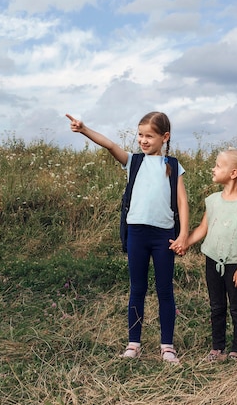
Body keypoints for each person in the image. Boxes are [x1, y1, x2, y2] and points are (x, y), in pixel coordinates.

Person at [66, 112, 189, 364]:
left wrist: (184, 234)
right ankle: (134, 343)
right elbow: (110, 144)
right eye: (140, 135)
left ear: (164, 137)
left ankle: (167, 346)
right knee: (137, 289)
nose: (143, 141)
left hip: (164, 236)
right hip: (137, 234)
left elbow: (182, 202)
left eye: (149, 136)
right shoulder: (133, 161)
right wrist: (84, 129)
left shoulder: (173, 165)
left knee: (165, 291)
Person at [171, 149, 237, 362]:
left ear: (233, 173)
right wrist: (185, 243)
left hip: (234, 264)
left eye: (218, 165)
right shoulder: (212, 200)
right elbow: (203, 228)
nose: (214, 168)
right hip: (212, 260)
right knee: (216, 306)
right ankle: (217, 347)